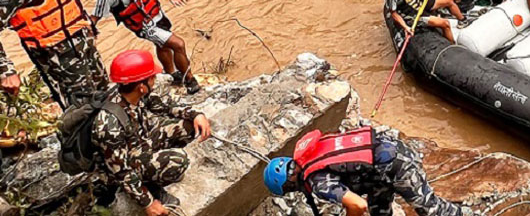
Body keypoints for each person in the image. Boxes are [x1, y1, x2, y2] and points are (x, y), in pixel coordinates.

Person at [91, 49, 212, 216]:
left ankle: (151, 173)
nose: (155, 80)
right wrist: (147, 202)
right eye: (152, 78)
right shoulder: (109, 125)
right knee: (178, 161)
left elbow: (167, 106)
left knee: (189, 127)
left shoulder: (133, 92)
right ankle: (152, 186)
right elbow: (120, 171)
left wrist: (196, 114)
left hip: (140, 141)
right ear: (141, 86)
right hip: (122, 163)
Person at [263, 126, 474, 216]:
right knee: (379, 211)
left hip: (396, 165)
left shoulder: (319, 183)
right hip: (378, 168)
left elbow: (357, 204)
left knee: (431, 210)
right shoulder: (310, 155)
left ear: (289, 187)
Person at [92, 0, 199, 94]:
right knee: (178, 44)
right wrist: (89, 30)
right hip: (145, 26)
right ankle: (189, 79)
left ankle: (171, 74)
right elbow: (96, 15)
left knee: (163, 45)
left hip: (157, 15)